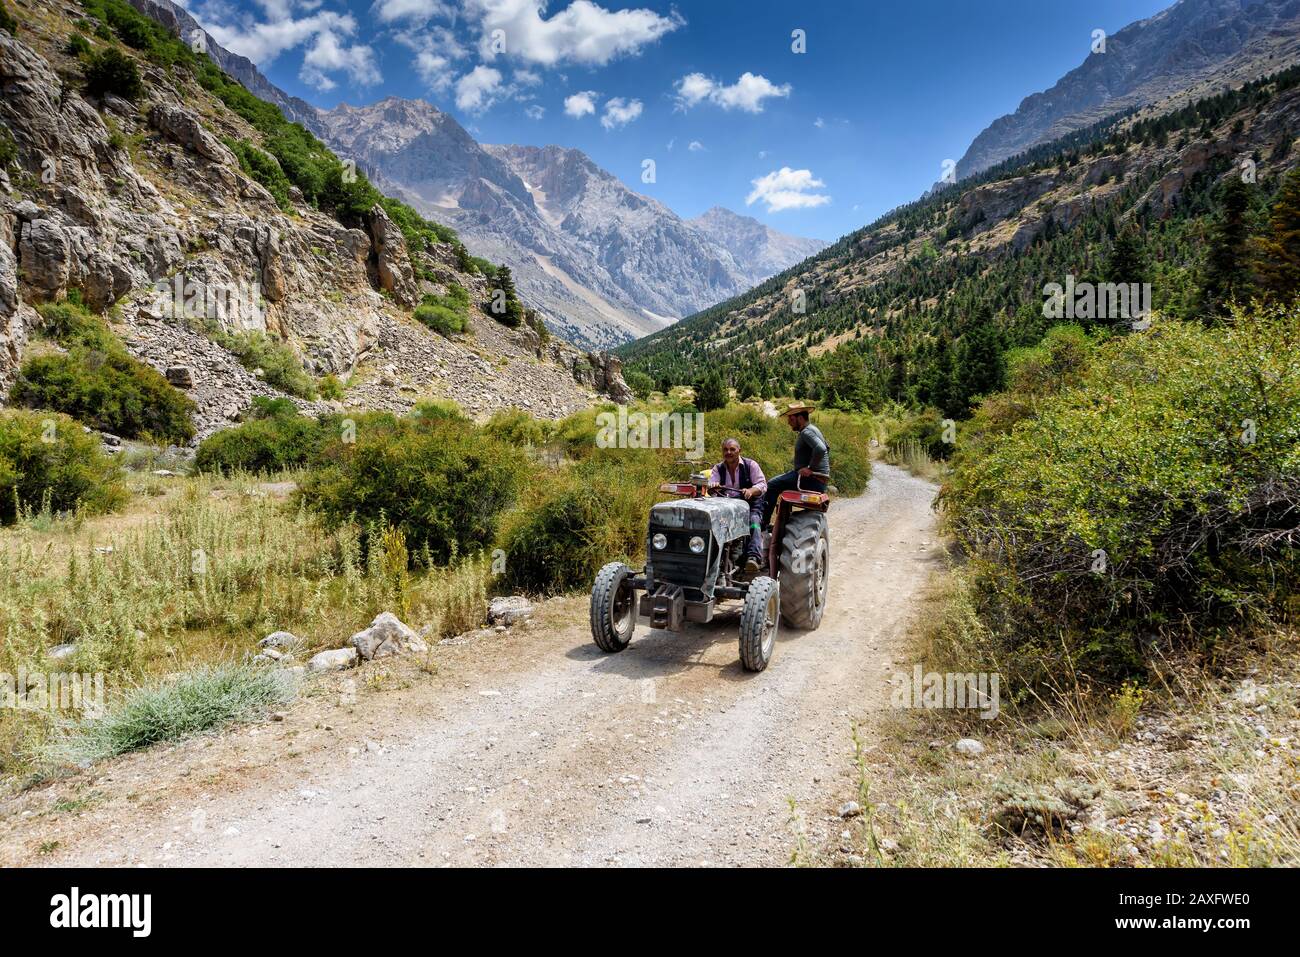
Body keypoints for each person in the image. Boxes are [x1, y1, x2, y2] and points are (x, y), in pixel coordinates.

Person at [761, 403, 830, 533]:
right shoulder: (813, 429)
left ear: (800, 418)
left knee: (772, 485)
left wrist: (810, 468)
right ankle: (782, 523)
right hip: (816, 479)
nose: (789, 422)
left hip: (811, 479)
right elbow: (826, 448)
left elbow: (821, 449)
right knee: (780, 481)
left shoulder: (806, 432)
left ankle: (762, 525)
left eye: (791, 418)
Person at [709, 437, 768, 574]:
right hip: (726, 507)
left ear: (739, 451)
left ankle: (753, 557)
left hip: (750, 505)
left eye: (732, 449)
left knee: (754, 522)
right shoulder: (718, 468)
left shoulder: (750, 465)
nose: (728, 452)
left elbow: (762, 485)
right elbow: (712, 485)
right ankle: (714, 558)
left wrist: (751, 490)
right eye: (725, 449)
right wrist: (713, 486)